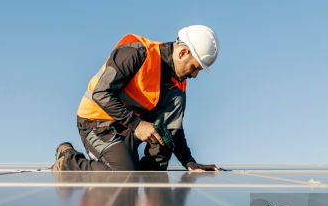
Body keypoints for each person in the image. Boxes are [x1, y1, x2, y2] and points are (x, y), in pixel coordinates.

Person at [53, 25, 220, 172]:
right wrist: (137, 124)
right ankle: (68, 160)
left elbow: (173, 127)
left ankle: (142, 183)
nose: (195, 75)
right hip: (96, 122)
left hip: (130, 126)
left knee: (163, 147)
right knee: (123, 173)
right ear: (183, 52)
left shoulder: (178, 82)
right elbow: (101, 93)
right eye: (194, 67)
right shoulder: (135, 53)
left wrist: (189, 161)